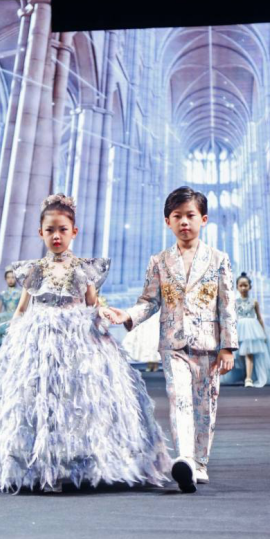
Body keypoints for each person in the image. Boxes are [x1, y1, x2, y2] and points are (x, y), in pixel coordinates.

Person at [0, 193, 172, 494]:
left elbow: (92, 302)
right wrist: (13, 339)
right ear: (40, 232)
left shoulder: (83, 268)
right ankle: (41, 465)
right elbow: (22, 308)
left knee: (79, 398)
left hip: (78, 340)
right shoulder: (34, 270)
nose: (56, 236)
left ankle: (81, 463)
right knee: (40, 399)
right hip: (39, 342)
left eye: (62, 230)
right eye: (50, 230)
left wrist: (103, 314)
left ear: (74, 231)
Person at [101, 186, 238, 493]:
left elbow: (227, 305)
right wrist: (127, 315)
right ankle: (185, 459)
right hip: (173, 345)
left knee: (205, 405)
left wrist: (228, 347)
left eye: (190, 215)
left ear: (203, 219)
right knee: (180, 400)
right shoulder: (159, 261)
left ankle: (200, 462)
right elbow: (149, 301)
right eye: (177, 216)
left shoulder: (219, 259)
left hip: (208, 345)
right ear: (168, 221)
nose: (184, 222)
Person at [221, 273, 270, 387]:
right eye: (241, 285)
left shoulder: (254, 301)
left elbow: (259, 318)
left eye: (245, 285)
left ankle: (248, 378)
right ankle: (245, 376)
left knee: (249, 352)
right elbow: (231, 318)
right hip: (238, 329)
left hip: (252, 330)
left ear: (250, 287)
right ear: (237, 287)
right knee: (239, 355)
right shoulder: (234, 302)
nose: (243, 288)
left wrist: (263, 333)